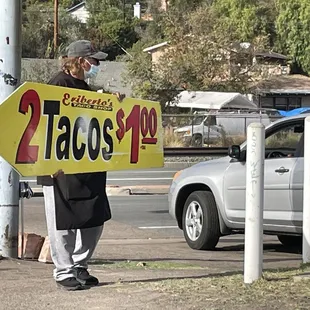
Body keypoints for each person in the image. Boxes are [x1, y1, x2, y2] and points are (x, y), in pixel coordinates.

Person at [37, 40, 113, 291]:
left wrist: (114, 103)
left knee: (94, 218)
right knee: (63, 222)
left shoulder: (86, 88)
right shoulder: (58, 84)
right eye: (94, 61)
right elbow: (45, 121)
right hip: (59, 169)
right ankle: (64, 270)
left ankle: (80, 264)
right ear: (81, 62)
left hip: (86, 166)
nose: (97, 66)